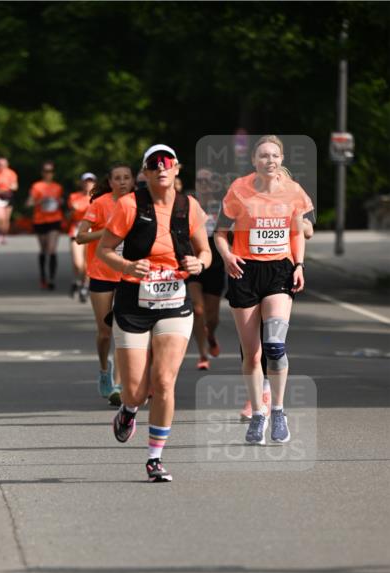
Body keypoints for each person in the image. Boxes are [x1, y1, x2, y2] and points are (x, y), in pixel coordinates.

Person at [96, 144, 210, 482]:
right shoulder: (129, 205)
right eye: (153, 164)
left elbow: (205, 252)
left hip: (174, 304)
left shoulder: (189, 207)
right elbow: (104, 250)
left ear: (177, 169)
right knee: (135, 389)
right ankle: (129, 410)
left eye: (167, 163)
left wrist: (198, 263)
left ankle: (154, 458)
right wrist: (129, 266)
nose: (161, 168)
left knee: (163, 381)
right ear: (145, 173)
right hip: (133, 303)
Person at [214, 135, 313, 445]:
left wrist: (298, 264)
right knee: (252, 354)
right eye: (263, 156)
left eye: (274, 155)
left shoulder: (293, 191)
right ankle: (259, 414)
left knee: (274, 345)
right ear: (253, 161)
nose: (269, 160)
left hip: (279, 271)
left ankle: (279, 411)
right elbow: (219, 232)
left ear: (281, 160)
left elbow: (297, 232)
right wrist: (228, 255)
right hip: (245, 271)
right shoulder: (239, 190)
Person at [76, 162, 135, 402]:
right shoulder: (99, 204)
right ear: (110, 183)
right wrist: (109, 231)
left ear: (132, 180)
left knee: (122, 330)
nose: (122, 182)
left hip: (127, 274)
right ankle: (104, 371)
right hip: (101, 272)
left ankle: (118, 386)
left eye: (126, 178)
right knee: (105, 332)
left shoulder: (139, 203)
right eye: (117, 178)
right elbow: (80, 237)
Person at [187, 168, 225, 370]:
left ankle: (210, 336)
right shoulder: (189, 205)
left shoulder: (221, 207)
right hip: (194, 262)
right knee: (197, 309)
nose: (203, 184)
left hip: (216, 264)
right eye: (200, 180)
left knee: (212, 316)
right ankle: (202, 354)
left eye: (207, 181)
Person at [26, 162, 64, 289]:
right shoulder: (36, 186)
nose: (48, 173)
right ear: (42, 172)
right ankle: (43, 276)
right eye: (46, 171)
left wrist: (60, 202)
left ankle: (51, 279)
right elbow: (29, 203)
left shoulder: (58, 187)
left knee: (52, 249)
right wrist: (39, 201)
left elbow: (62, 202)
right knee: (43, 249)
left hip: (54, 220)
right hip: (40, 220)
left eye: (51, 171)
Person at [67, 172, 96, 300]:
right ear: (82, 183)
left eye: (90, 181)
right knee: (78, 263)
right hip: (76, 230)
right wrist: (73, 210)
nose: (88, 184)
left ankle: (85, 285)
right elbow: (68, 217)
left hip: (91, 231)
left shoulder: (98, 198)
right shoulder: (74, 197)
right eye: (86, 181)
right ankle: (77, 280)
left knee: (87, 263)